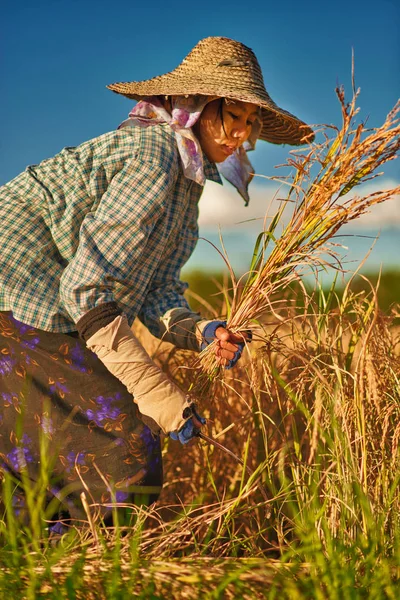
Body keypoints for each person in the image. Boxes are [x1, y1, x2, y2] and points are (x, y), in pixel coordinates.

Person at [0, 36, 313, 529]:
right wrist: (159, 398)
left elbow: (158, 290)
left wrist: (204, 334)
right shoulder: (155, 155)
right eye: (234, 115)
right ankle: (80, 575)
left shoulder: (185, 180)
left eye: (251, 123)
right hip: (15, 299)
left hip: (32, 308)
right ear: (194, 104)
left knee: (38, 471)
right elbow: (86, 292)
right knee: (122, 458)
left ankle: (40, 571)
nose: (241, 134)